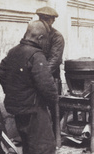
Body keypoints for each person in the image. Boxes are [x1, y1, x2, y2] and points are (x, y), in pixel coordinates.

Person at [0, 20, 58, 154]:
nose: (45, 44)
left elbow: (1, 70)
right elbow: (47, 87)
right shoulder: (36, 55)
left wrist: (13, 91)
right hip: (34, 112)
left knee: (29, 150)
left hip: (19, 111)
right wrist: (53, 102)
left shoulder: (13, 51)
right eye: (45, 40)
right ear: (39, 38)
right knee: (43, 152)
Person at [36, 6, 65, 134]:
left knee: (55, 106)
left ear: (53, 20)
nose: (43, 21)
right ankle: (40, 133)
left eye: (47, 19)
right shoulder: (35, 34)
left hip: (51, 77)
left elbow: (55, 60)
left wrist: (41, 75)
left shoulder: (57, 37)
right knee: (37, 106)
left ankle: (55, 134)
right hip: (37, 75)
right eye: (41, 18)